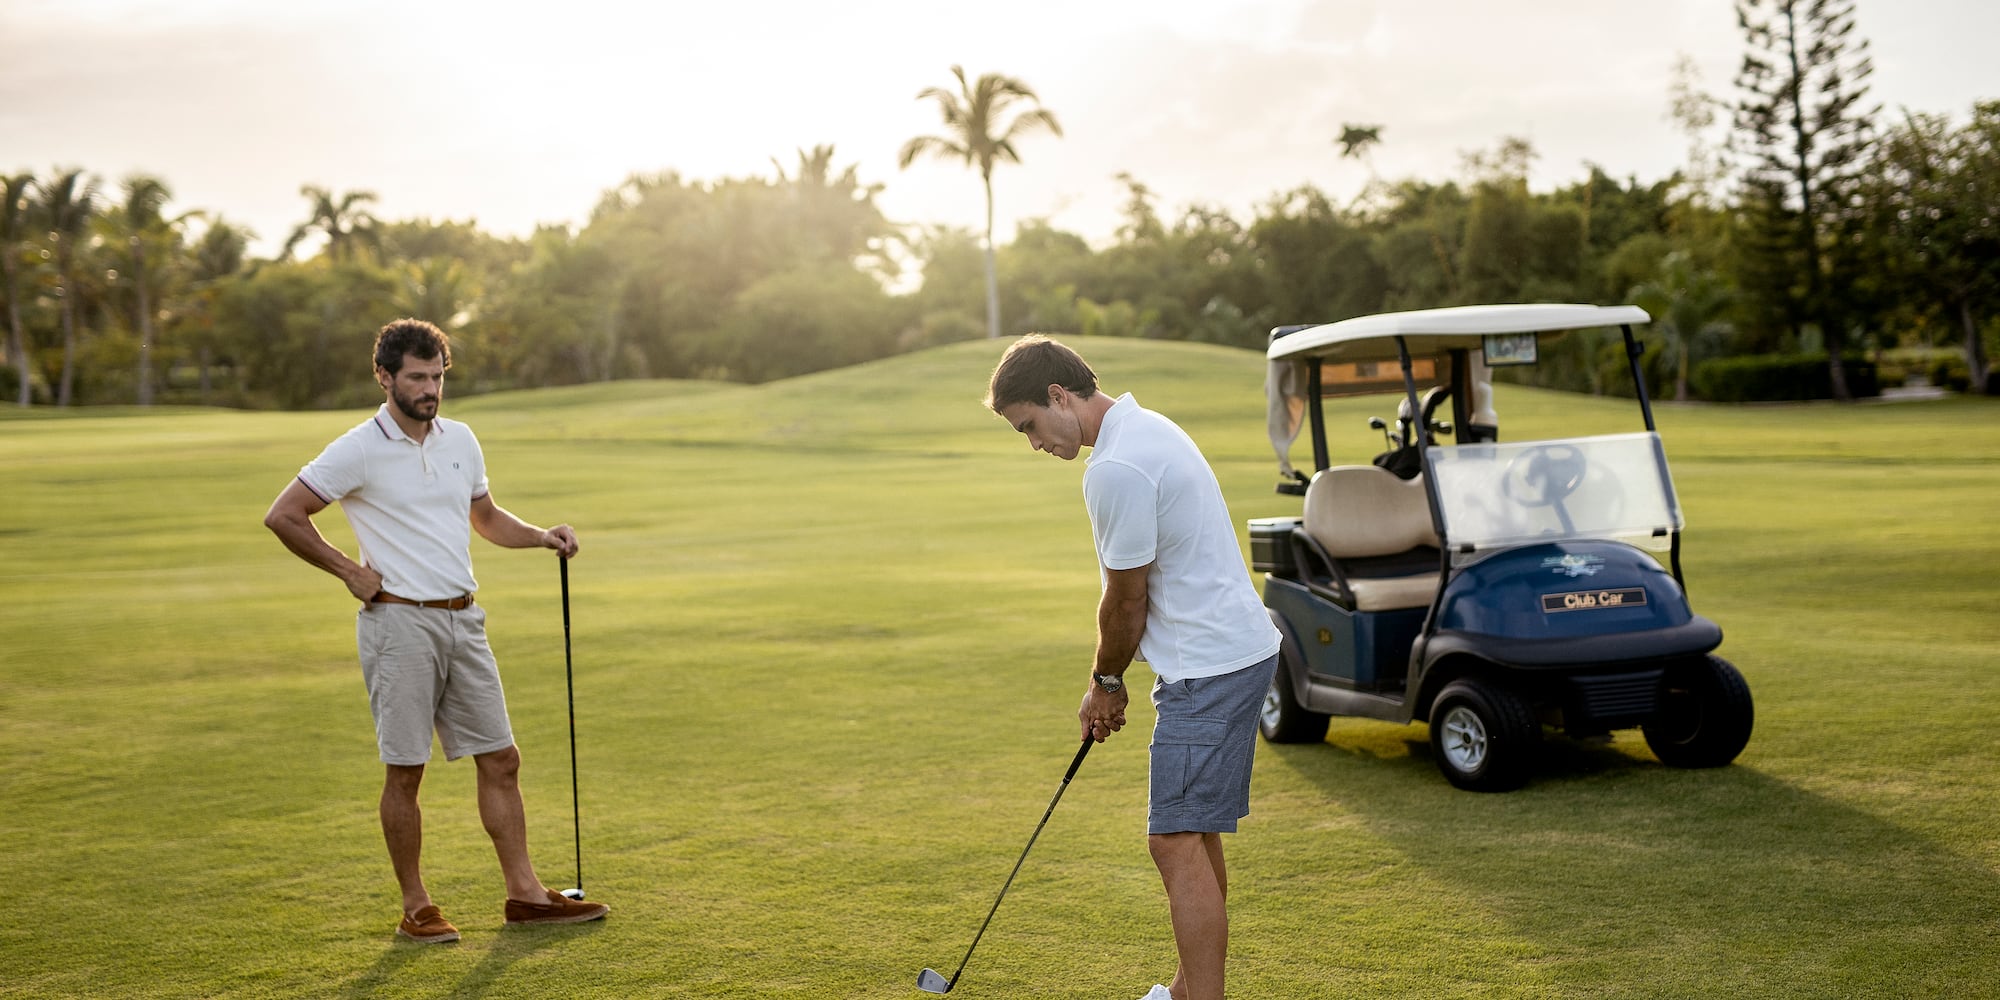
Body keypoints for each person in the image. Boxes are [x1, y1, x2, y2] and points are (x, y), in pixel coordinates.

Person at [263, 318, 609, 943]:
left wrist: (541, 537)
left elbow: (485, 516)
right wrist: (346, 570)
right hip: (398, 624)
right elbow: (284, 515)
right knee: (406, 770)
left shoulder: (461, 439)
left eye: (437, 377)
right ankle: (417, 907)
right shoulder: (357, 448)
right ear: (385, 377)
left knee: (502, 758)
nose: (429, 389)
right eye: (417, 377)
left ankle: (525, 895)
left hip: (463, 619)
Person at [985, 335, 1281, 1000]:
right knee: (1191, 830)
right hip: (1234, 651)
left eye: (1029, 425)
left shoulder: (1116, 466)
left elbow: (1125, 600)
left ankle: (1199, 998)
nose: (1033, 443)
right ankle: (1187, 989)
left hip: (1210, 667)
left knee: (1172, 838)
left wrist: (1105, 685)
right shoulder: (1148, 427)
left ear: (1060, 396)